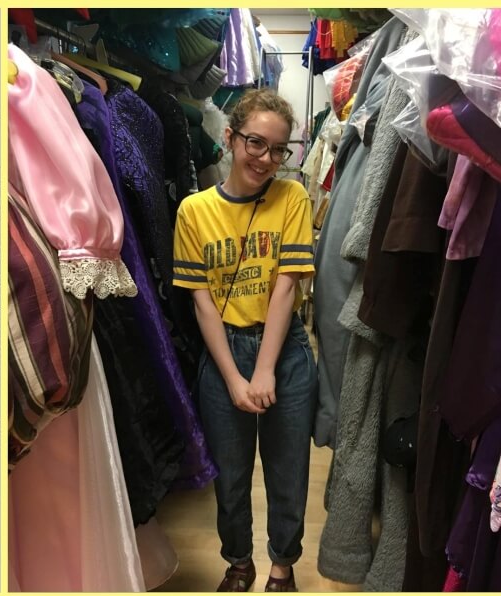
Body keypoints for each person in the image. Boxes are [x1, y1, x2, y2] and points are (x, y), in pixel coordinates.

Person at [173, 89, 318, 592]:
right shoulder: (194, 210)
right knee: (230, 477)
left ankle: (282, 567)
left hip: (285, 350)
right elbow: (201, 302)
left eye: (279, 150)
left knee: (287, 471)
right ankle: (238, 562)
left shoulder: (292, 197)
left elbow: (286, 287)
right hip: (223, 353)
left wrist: (264, 370)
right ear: (231, 138)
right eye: (256, 143)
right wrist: (234, 376)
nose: (267, 159)